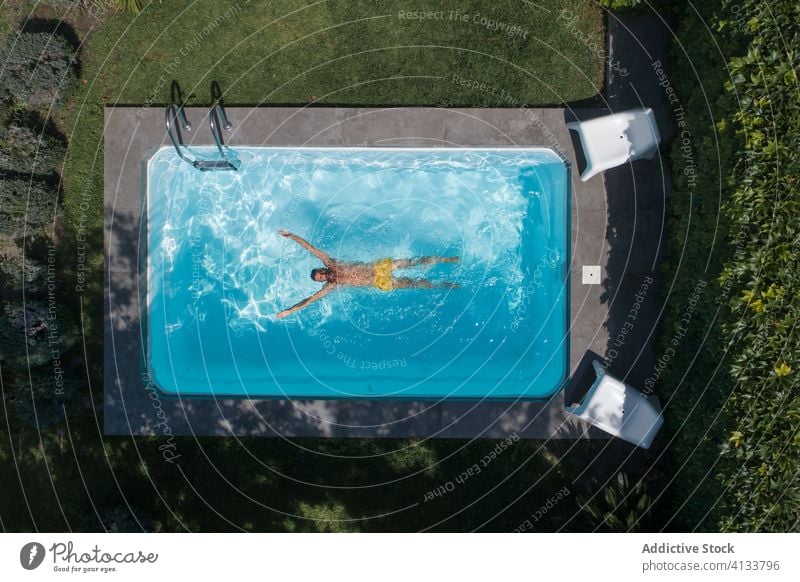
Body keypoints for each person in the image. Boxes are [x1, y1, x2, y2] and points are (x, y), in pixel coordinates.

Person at [276, 230, 460, 319]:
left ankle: (448, 260)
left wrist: (292, 236)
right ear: (321, 280)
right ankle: (444, 285)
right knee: (414, 283)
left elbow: (311, 249)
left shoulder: (331, 262)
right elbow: (310, 300)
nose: (322, 276)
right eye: (320, 278)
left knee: (413, 262)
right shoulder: (332, 286)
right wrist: (289, 311)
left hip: (378, 268)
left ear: (322, 269)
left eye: (320, 273)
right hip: (379, 282)